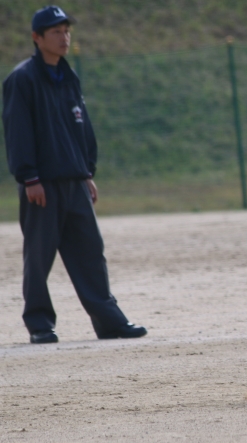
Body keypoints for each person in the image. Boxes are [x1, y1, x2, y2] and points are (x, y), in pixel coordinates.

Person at [2, 5, 147, 344]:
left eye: (66, 30)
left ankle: (109, 322)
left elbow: (81, 127)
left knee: (90, 253)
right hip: (42, 185)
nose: (64, 37)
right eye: (56, 31)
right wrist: (29, 178)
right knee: (39, 258)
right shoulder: (22, 79)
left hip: (75, 180)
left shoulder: (69, 76)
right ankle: (39, 324)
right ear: (37, 38)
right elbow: (18, 131)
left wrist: (86, 172)